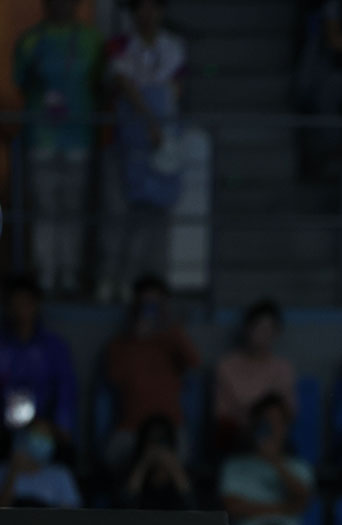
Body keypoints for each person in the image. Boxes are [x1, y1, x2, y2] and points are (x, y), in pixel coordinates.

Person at [14, 0, 102, 294]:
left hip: (78, 136)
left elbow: (101, 81)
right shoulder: (31, 40)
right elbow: (20, 81)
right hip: (42, 137)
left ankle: (69, 273)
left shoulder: (92, 39)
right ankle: (46, 274)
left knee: (74, 209)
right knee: (45, 208)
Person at [100, 0, 187, 301]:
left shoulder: (174, 45)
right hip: (126, 143)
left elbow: (175, 89)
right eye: (140, 7)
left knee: (158, 217)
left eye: (154, 7)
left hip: (160, 144)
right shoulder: (120, 44)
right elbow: (123, 83)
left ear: (163, 11)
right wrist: (151, 122)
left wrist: (167, 133)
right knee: (119, 216)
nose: (147, 14)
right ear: (132, 12)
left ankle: (151, 286)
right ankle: (113, 281)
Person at [105, 275, 200, 472]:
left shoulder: (173, 339)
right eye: (144, 304)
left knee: (174, 464)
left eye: (155, 304)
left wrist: (172, 330)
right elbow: (114, 378)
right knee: (115, 459)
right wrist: (135, 339)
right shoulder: (119, 345)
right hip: (132, 429)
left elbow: (195, 365)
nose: (149, 309)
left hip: (170, 428)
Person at [220, 394, 315, 525]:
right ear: (255, 425)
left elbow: (303, 499)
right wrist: (284, 508)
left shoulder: (299, 467)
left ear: (286, 427)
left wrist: (274, 461)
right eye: (266, 421)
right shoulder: (234, 466)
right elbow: (233, 506)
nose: (271, 427)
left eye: (277, 422)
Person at [0, 275, 77, 440]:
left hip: (45, 428)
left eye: (26, 303)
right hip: (5, 428)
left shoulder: (54, 347)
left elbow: (66, 392)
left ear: (36, 305)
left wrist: (61, 427)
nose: (21, 310)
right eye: (15, 303)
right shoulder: (3, 346)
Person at [214, 299, 297, 453]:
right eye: (258, 328)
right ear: (247, 329)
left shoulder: (283, 368)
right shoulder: (226, 366)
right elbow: (222, 413)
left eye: (268, 329)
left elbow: (288, 411)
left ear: (276, 333)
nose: (262, 335)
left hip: (273, 436)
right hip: (237, 438)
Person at [0, 418, 81, 508]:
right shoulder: (4, 470)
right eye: (38, 435)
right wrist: (13, 471)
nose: (43, 440)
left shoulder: (60, 474)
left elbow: (71, 514)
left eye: (47, 436)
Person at [121, 415, 194, 510]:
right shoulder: (130, 472)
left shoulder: (186, 475)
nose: (157, 448)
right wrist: (143, 465)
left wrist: (174, 469)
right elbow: (124, 511)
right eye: (152, 441)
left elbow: (194, 510)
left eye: (162, 441)